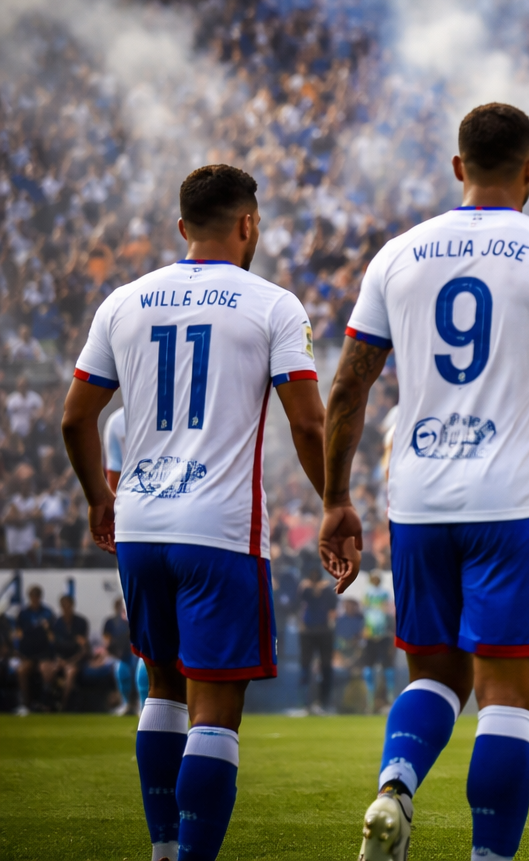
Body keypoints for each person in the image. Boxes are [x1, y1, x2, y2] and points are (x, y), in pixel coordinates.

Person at [319, 103, 529, 861]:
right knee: (505, 698)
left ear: (457, 166)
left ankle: (395, 785)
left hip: (418, 500)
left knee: (433, 677)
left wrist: (336, 498)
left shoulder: (397, 255)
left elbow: (348, 389)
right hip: (513, 501)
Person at [61, 163, 326, 861]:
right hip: (219, 530)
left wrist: (99, 499)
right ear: (249, 224)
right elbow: (307, 424)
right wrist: (337, 501)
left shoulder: (123, 302)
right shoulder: (274, 305)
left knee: (162, 690)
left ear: (182, 226)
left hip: (140, 527)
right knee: (215, 712)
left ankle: (163, 849)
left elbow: (75, 418)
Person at [297, 559, 337, 714]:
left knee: (325, 667)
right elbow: (298, 604)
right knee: (305, 666)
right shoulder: (304, 588)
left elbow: (333, 608)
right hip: (308, 631)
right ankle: (305, 703)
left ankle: (324, 703)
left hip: (323, 630)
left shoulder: (327, 589)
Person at [13, 584, 55, 716]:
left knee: (46, 670)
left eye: (37, 596)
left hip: (44, 652)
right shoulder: (23, 614)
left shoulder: (47, 613)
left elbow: (52, 636)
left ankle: (45, 703)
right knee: (21, 671)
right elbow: (18, 634)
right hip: (29, 653)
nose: (35, 599)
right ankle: (25, 704)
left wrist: (46, 629)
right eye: (33, 596)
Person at [360, 570, 397, 711]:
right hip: (370, 636)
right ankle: (370, 700)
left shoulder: (384, 594)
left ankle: (390, 697)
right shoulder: (367, 593)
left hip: (383, 635)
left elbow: (388, 613)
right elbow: (364, 613)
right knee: (368, 669)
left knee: (388, 669)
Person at [105, 597, 139, 716]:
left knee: (137, 667)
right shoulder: (113, 622)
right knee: (121, 669)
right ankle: (126, 703)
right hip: (119, 656)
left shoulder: (137, 619)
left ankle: (140, 703)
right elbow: (108, 644)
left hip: (136, 655)